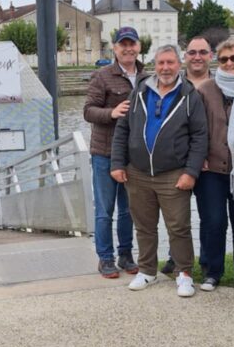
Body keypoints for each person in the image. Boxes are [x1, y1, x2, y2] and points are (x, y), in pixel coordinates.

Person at [111, 45, 208, 297]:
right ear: (154, 65)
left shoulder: (189, 95)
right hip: (138, 172)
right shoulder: (140, 91)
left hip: (173, 173)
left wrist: (191, 172)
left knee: (178, 227)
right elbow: (122, 129)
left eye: (171, 63)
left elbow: (199, 136)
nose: (165, 68)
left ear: (179, 65)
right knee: (144, 226)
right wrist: (117, 163)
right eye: (161, 63)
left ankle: (184, 273)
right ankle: (147, 271)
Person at [195, 39, 234, 291]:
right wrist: (199, 157)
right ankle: (213, 272)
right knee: (214, 222)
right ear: (217, 62)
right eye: (224, 59)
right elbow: (198, 130)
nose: (230, 63)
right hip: (212, 169)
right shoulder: (206, 89)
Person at [84, 27, 147, 278]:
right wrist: (111, 112)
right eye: (123, 45)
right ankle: (105, 258)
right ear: (115, 48)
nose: (128, 48)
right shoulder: (102, 76)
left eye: (132, 44)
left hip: (134, 156)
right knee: (104, 210)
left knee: (129, 210)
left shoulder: (146, 77)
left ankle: (126, 254)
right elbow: (88, 111)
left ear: (139, 47)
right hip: (105, 153)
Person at [160, 36, 214, 276]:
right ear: (185, 58)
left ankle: (206, 260)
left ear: (210, 55)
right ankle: (176, 258)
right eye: (192, 52)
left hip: (209, 163)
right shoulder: (173, 84)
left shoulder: (220, 84)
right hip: (177, 163)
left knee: (209, 216)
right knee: (177, 217)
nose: (197, 57)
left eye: (202, 52)